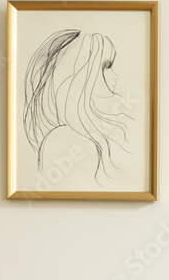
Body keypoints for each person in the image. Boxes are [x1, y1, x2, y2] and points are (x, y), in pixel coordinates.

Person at [23, 29, 132, 186]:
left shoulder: (94, 130)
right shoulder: (62, 136)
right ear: (84, 72)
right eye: (106, 67)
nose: (115, 76)